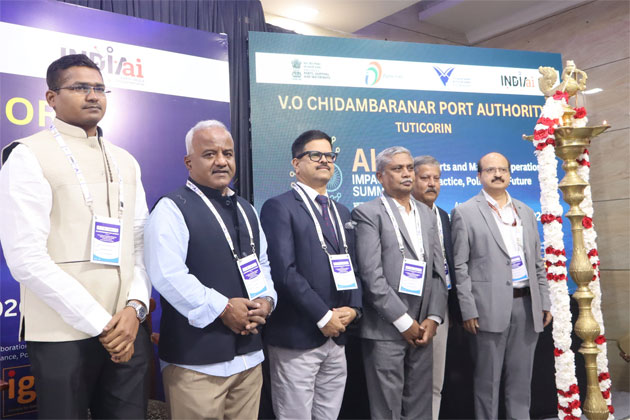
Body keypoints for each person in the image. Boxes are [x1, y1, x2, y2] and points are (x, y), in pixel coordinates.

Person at [0, 54, 152, 418]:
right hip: (62, 334)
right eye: (80, 87)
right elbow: (26, 259)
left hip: (127, 329)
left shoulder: (126, 160)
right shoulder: (27, 155)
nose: (93, 95)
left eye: (99, 88)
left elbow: (139, 243)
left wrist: (135, 308)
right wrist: (101, 324)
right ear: (51, 98)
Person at [144, 120, 277, 420]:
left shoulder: (246, 209)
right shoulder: (172, 207)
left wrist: (267, 300)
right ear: (188, 162)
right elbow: (167, 274)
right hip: (197, 364)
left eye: (227, 153)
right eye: (209, 154)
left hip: (249, 358)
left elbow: (263, 264)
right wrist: (223, 308)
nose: (221, 161)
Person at [260, 129, 362, 419]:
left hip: (338, 335)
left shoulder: (342, 211)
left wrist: (354, 310)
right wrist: (323, 316)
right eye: (315, 155)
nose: (325, 160)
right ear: (296, 163)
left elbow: (353, 267)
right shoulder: (279, 207)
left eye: (330, 155)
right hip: (298, 335)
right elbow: (284, 272)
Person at [451, 152, 552, 419]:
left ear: (509, 174)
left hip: (527, 305)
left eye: (503, 170)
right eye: (490, 170)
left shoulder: (526, 211)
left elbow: (537, 261)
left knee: (521, 380)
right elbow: (460, 266)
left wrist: (544, 301)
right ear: (479, 176)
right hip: (487, 309)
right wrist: (468, 309)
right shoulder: (465, 212)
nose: (497, 174)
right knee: (487, 381)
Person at [352, 146, 447, 419]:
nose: (406, 174)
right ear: (380, 176)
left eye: (409, 168)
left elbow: (438, 272)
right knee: (388, 410)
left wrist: (433, 318)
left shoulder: (427, 213)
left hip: (424, 327)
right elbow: (372, 276)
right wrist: (405, 322)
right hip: (386, 328)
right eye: (397, 169)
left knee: (421, 409)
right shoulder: (368, 213)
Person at [412, 155, 459, 420]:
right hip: (411, 308)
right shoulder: (403, 214)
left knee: (435, 382)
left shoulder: (443, 215)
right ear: (411, 179)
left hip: (442, 308)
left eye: (436, 178)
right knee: (411, 384)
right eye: (425, 178)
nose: (432, 183)